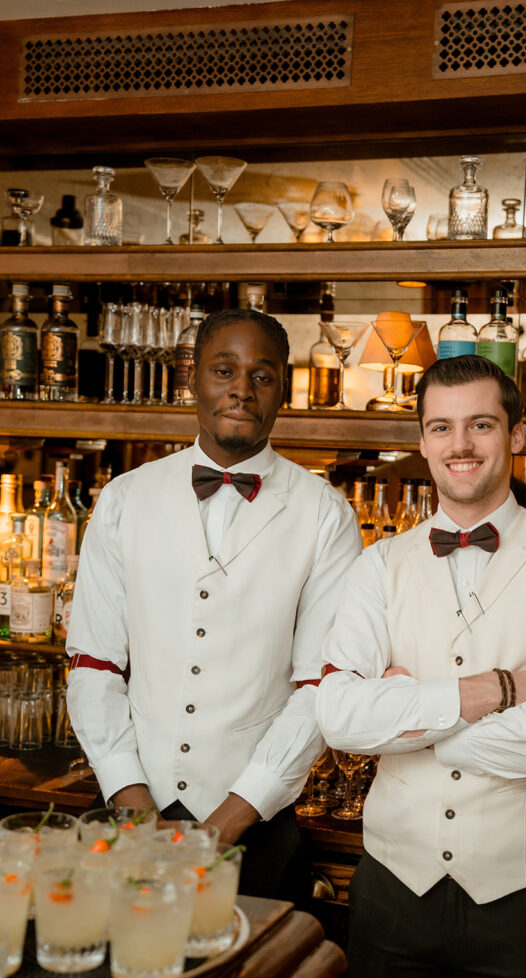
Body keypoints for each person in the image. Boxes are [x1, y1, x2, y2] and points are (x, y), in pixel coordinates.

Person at [317, 354, 526, 978]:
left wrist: (412, 717)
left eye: (480, 424)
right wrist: (505, 688)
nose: (459, 445)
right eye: (440, 427)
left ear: (514, 434)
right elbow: (338, 718)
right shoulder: (377, 566)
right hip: (390, 890)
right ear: (422, 440)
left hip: (519, 896)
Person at [67, 308, 361, 900]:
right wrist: (132, 802)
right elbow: (94, 663)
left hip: (258, 825)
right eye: (223, 369)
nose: (241, 390)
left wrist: (231, 817)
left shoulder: (325, 513)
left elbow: (320, 687)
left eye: (263, 375)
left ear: (284, 388)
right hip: (134, 817)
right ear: (193, 378)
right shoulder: (125, 498)